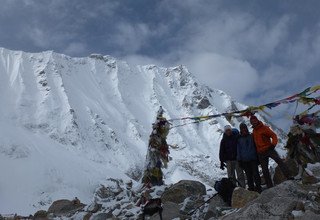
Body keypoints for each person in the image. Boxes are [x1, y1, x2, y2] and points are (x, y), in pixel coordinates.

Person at [250, 115, 293, 188]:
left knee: (279, 161)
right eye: (252, 121)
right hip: (261, 153)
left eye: (254, 120)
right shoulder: (254, 131)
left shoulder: (264, 128)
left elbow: (274, 136)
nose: (254, 122)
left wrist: (273, 145)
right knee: (265, 170)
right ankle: (269, 185)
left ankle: (289, 176)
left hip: (269, 149)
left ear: (257, 120)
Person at [237, 123, 262, 193]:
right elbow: (238, 150)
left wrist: (258, 156)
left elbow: (256, 146)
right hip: (244, 160)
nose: (243, 129)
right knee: (249, 176)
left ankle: (258, 188)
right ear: (240, 130)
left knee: (256, 174)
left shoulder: (251, 136)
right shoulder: (239, 139)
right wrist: (239, 160)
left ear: (246, 128)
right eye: (242, 128)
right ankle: (251, 189)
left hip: (253, 159)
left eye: (244, 128)